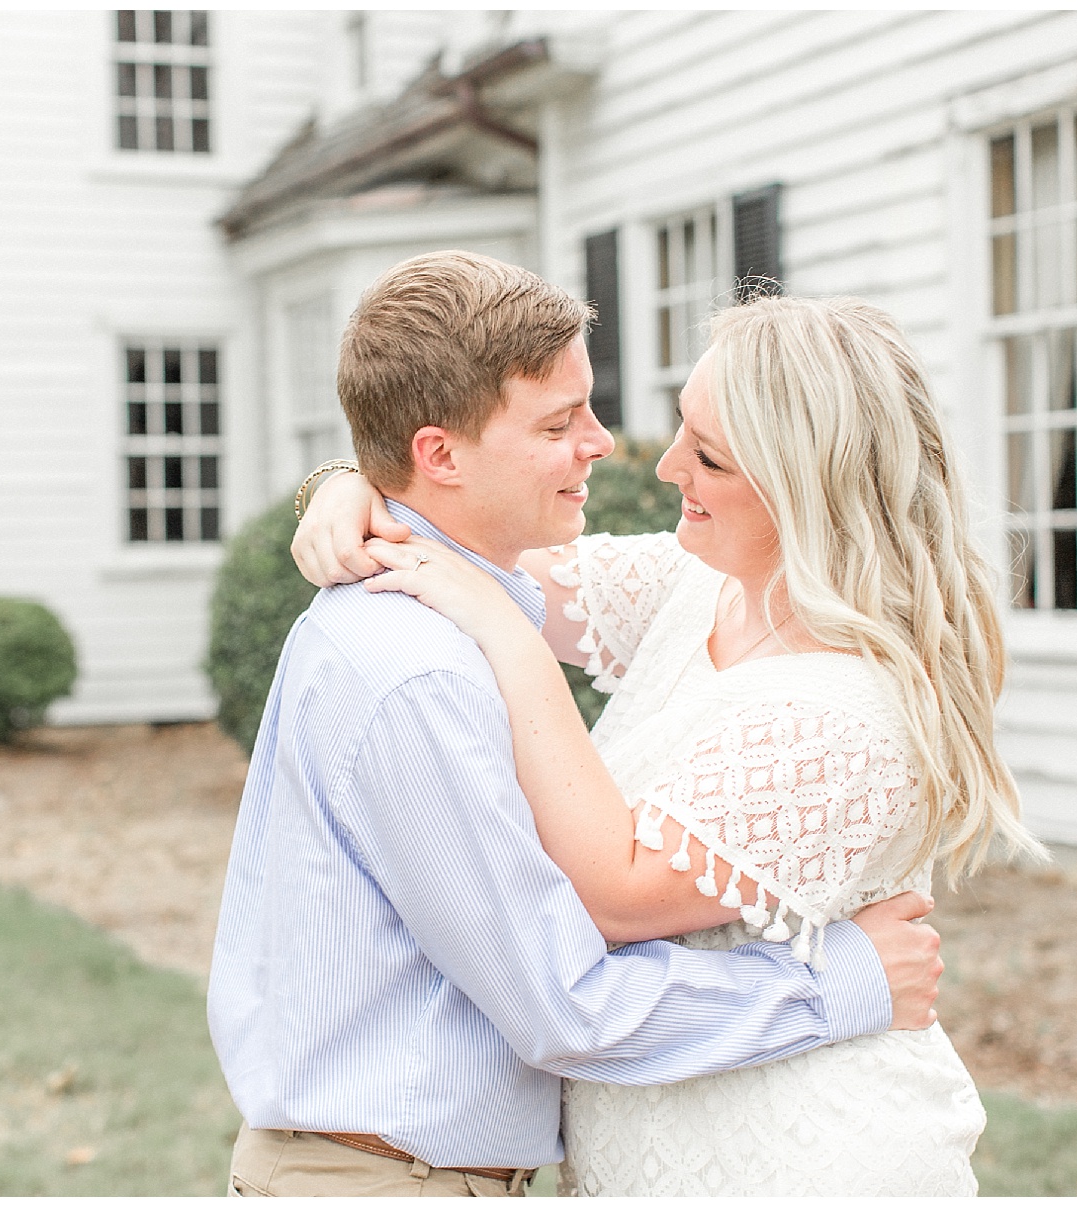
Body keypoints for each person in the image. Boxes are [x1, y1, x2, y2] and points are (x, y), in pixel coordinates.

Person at [208, 252, 946, 1198]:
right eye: (562, 423)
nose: (630, 452)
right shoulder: (430, 664)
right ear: (440, 452)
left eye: (705, 451)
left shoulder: (808, 677)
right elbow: (568, 999)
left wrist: (377, 493)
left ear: (805, 481)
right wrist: (352, 483)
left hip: (798, 1151)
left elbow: (501, 580)